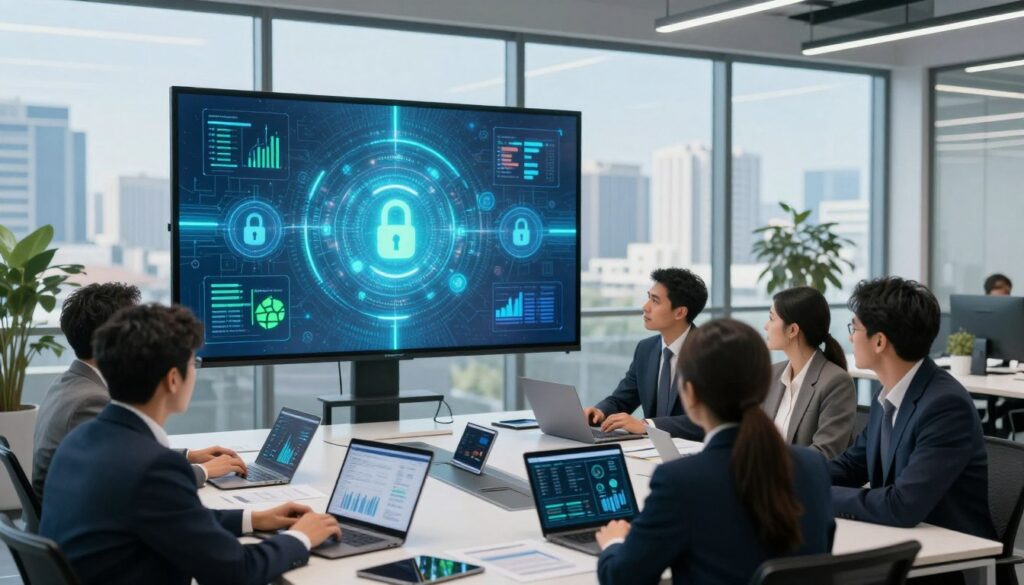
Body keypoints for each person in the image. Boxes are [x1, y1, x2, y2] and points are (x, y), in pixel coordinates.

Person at [39, 304, 341, 585]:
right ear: (173, 379)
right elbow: (236, 571)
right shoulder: (153, 468)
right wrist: (301, 538)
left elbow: (175, 517)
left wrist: (254, 518)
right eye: (193, 363)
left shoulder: (79, 440)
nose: (195, 371)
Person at [595, 319, 834, 585]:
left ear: (690, 393)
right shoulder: (813, 466)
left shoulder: (680, 481)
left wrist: (614, 542)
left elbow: (621, 578)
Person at [32, 283, 245, 497]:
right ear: (114, 337)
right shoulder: (90, 401)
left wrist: (188, 456)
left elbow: (121, 455)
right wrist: (203, 471)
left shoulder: (70, 383)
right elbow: (126, 478)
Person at [830, 277, 995, 539]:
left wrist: (816, 494)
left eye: (855, 327)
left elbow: (902, 505)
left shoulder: (945, 406)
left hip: (952, 552)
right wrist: (793, 478)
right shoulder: (887, 395)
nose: (850, 337)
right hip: (902, 539)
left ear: (879, 341)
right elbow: (852, 466)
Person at [584, 268, 707, 439]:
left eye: (655, 301)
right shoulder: (646, 349)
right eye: (649, 298)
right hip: (651, 448)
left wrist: (647, 426)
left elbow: (708, 419)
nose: (645, 307)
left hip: (694, 449)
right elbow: (622, 399)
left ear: (680, 312)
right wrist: (599, 412)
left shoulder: (709, 353)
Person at [763, 286, 856, 459]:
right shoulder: (772, 374)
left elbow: (825, 453)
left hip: (801, 475)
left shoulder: (836, 382)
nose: (765, 326)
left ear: (792, 330)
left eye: (771, 318)